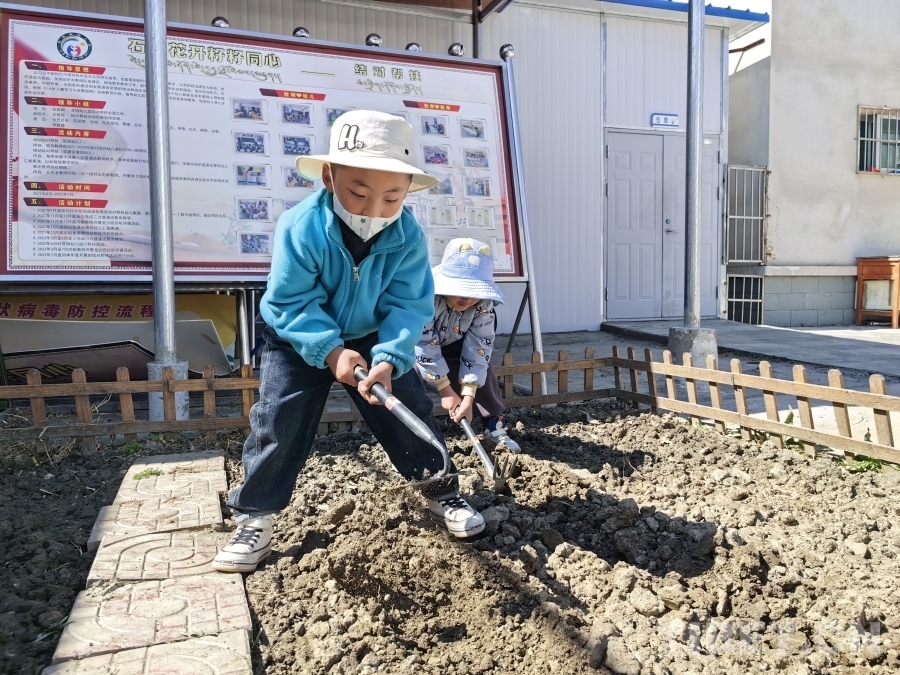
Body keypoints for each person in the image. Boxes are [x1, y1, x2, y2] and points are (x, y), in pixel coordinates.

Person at [213, 111, 485, 574]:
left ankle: (440, 490)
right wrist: (331, 351)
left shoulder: (408, 236)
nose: (374, 208)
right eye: (359, 192)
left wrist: (390, 357)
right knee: (280, 419)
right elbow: (291, 300)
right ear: (329, 177)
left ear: (407, 191)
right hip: (299, 334)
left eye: (392, 197)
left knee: (407, 410)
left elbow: (408, 304)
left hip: (373, 334)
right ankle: (254, 515)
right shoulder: (301, 227)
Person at [415, 238, 521, 453]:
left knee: (484, 373)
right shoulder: (426, 298)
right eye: (462, 290)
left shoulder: (483, 305)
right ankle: (413, 437)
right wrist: (446, 391)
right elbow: (423, 343)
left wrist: (468, 396)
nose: (469, 299)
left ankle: (494, 427)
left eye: (475, 293)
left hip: (456, 345)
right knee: (408, 382)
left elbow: (479, 347)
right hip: (416, 349)